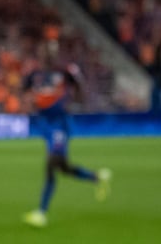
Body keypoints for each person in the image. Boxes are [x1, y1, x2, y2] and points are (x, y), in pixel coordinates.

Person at [22, 45, 112, 228]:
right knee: (63, 168)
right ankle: (95, 177)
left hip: (59, 127)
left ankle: (41, 212)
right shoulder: (35, 75)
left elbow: (80, 86)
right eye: (45, 52)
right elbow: (26, 91)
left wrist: (71, 97)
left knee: (51, 166)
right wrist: (30, 100)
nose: (47, 55)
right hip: (46, 127)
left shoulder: (64, 73)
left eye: (51, 52)